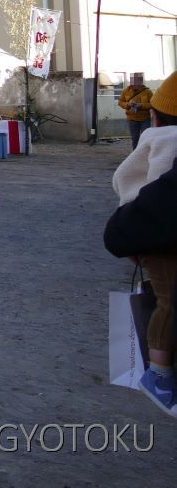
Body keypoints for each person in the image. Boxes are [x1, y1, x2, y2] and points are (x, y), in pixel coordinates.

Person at [111, 73, 177, 412]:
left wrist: (128, 208)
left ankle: (161, 372)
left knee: (167, 299)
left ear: (157, 114)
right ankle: (161, 373)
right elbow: (123, 101)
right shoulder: (159, 136)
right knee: (169, 299)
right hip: (159, 240)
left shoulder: (157, 136)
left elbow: (124, 177)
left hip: (151, 233)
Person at [119, 72, 154, 149]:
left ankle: (146, 154)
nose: (134, 83)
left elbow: (153, 104)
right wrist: (128, 104)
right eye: (133, 80)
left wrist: (141, 105)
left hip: (145, 119)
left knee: (146, 138)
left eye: (137, 81)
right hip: (132, 119)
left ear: (141, 81)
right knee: (135, 139)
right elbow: (120, 102)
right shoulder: (126, 91)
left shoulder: (148, 92)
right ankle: (135, 154)